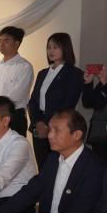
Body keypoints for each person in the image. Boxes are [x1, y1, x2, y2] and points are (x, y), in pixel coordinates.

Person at [28, 32, 84, 167]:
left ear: (65, 48)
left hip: (59, 127)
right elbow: (33, 101)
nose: (51, 51)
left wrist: (49, 125)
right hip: (39, 128)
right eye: (49, 47)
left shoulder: (74, 73)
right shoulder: (43, 73)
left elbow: (69, 103)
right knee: (42, 166)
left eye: (55, 47)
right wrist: (38, 122)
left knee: (57, 166)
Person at [0, 26, 34, 136]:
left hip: (13, 116)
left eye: (6, 41)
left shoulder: (24, 66)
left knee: (13, 146)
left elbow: (17, 95)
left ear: (16, 43)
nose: (1, 44)